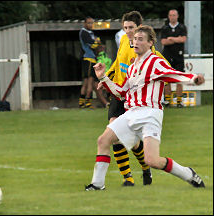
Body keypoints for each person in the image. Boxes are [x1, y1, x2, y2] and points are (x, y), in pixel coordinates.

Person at [85, 25, 205, 191]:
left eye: (140, 39)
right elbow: (120, 92)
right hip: (131, 113)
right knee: (103, 140)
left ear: (150, 43)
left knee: (152, 161)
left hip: (150, 114)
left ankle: (188, 173)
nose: (136, 42)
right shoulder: (133, 66)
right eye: (134, 39)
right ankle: (97, 185)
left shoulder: (155, 62)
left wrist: (194, 78)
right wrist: (103, 78)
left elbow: (173, 74)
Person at [101, 11, 170, 187]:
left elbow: (165, 68)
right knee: (114, 134)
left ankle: (146, 168)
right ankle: (128, 178)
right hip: (119, 93)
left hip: (135, 97)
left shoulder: (148, 50)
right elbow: (118, 63)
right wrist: (106, 77)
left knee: (132, 141)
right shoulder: (124, 40)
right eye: (125, 28)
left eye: (131, 28)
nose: (128, 32)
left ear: (139, 28)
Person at [78, 17, 109, 109]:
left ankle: (82, 103)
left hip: (91, 59)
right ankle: (87, 102)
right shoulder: (84, 32)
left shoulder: (90, 33)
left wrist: (97, 41)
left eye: (92, 23)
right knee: (89, 82)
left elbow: (96, 43)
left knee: (87, 82)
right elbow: (93, 45)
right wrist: (97, 41)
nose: (91, 25)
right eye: (89, 23)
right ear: (84, 24)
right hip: (88, 59)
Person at [161, 9, 187, 108]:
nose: (172, 17)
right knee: (167, 79)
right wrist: (177, 39)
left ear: (177, 16)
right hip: (167, 57)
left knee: (179, 80)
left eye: (174, 15)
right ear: (168, 16)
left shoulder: (182, 27)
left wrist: (171, 39)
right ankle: (167, 101)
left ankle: (179, 101)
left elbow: (183, 39)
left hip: (179, 57)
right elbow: (163, 42)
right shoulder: (165, 28)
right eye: (171, 15)